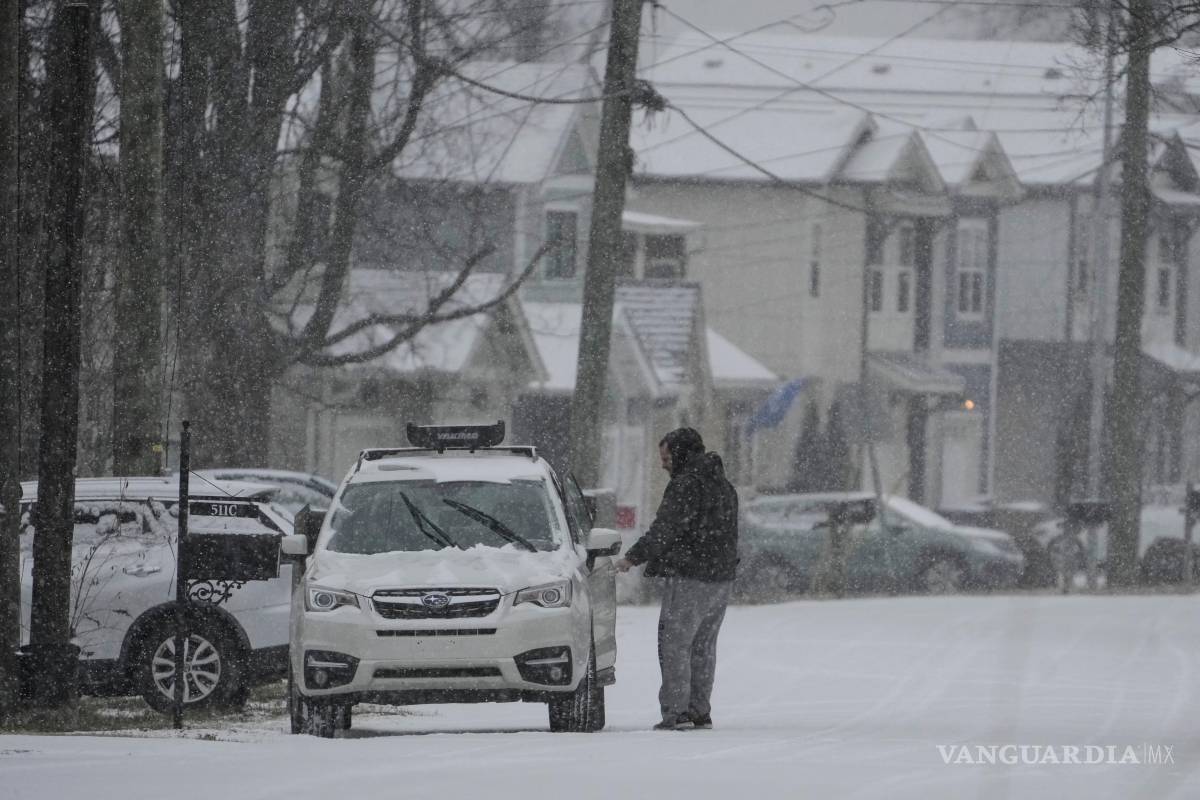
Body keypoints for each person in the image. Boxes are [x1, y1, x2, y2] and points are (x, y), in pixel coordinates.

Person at [616, 427, 739, 731]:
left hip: (689, 577)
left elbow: (665, 529)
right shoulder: (723, 485)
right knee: (703, 646)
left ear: (681, 453)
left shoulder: (686, 485)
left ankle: (677, 713)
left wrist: (632, 557)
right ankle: (699, 710)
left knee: (675, 645)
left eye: (666, 456)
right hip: (721, 577)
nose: (663, 464)